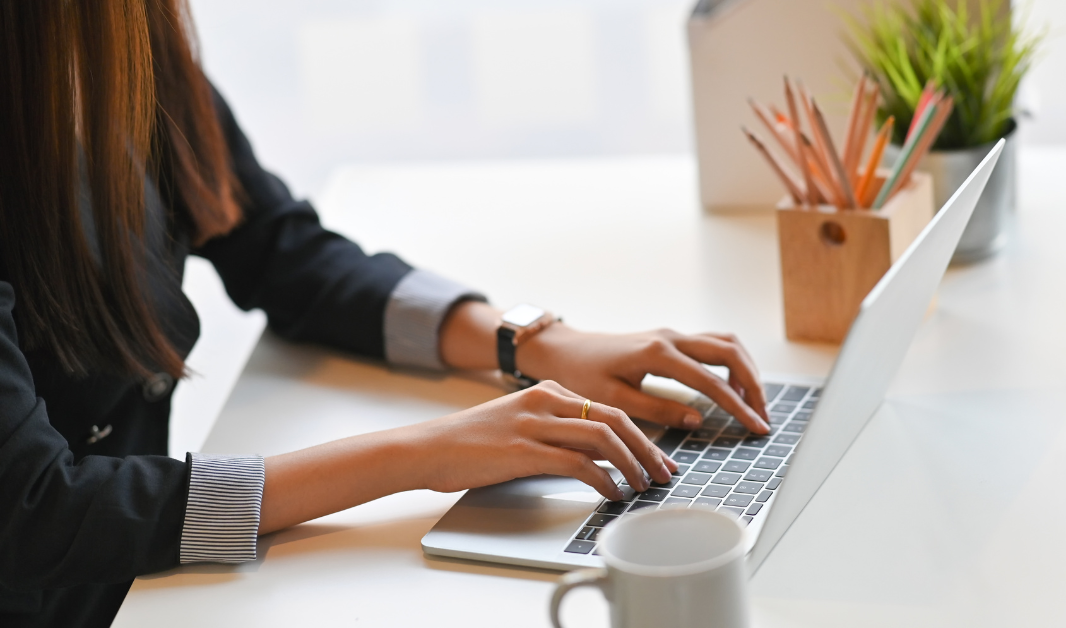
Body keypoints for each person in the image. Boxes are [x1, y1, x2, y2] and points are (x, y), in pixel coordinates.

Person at [0, 2, 768, 626]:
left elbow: (280, 249)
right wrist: (424, 455)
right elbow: (36, 512)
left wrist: (531, 341)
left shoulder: (116, 38)